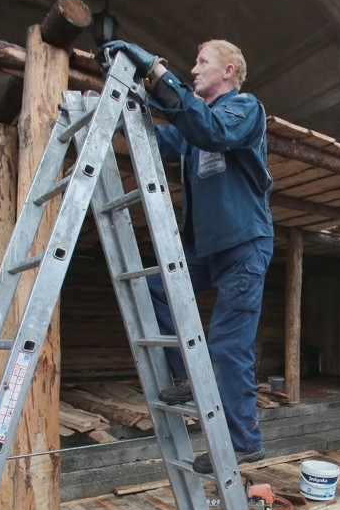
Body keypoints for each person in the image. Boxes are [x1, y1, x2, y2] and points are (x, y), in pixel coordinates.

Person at [99, 39, 273, 474]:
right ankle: (191, 380)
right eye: (192, 65)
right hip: (205, 248)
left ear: (229, 71)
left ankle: (243, 444)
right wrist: (119, 105)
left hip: (244, 245)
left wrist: (158, 73)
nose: (194, 70)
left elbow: (211, 131)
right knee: (152, 288)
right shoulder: (195, 126)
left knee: (228, 345)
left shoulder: (244, 109)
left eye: (202, 63)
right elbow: (158, 140)